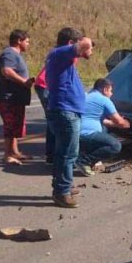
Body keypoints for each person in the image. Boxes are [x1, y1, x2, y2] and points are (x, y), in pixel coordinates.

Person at [45, 28, 94, 208]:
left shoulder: (61, 57)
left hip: (66, 111)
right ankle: (61, 192)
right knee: (68, 154)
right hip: (65, 112)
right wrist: (85, 48)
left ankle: (62, 185)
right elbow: (86, 44)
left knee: (63, 153)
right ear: (71, 43)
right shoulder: (59, 53)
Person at [0, 29, 34, 165]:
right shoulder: (9, 53)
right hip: (7, 98)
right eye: (26, 41)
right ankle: (7, 155)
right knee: (10, 125)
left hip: (16, 98)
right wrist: (24, 82)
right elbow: (7, 71)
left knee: (16, 125)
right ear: (18, 41)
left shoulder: (16, 55)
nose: (28, 44)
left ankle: (15, 152)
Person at [76, 78, 130, 176]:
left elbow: (100, 119)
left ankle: (82, 154)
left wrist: (114, 124)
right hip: (86, 134)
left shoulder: (87, 96)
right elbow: (120, 121)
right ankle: (84, 161)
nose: (111, 94)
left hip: (75, 131)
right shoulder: (104, 100)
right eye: (110, 91)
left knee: (104, 128)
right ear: (105, 90)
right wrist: (127, 124)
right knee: (115, 146)